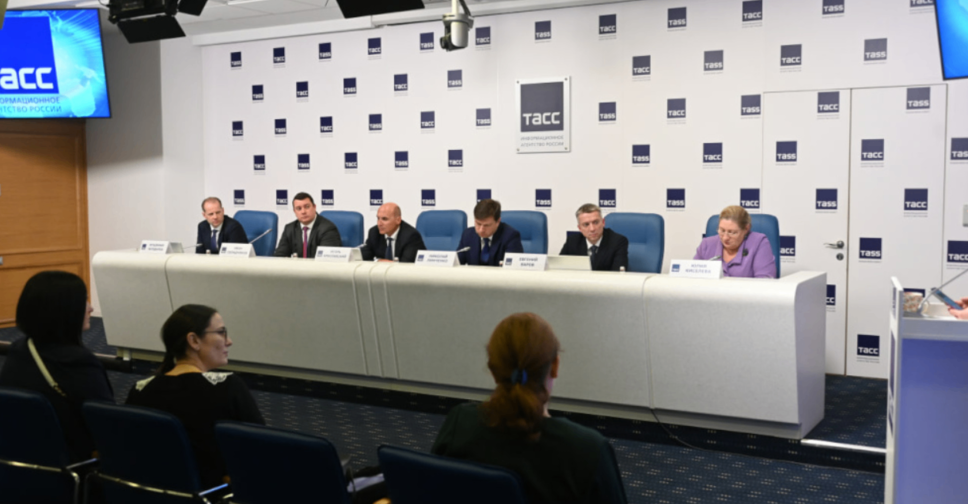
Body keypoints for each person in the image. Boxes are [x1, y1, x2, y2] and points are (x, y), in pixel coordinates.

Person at [432, 313, 627, 504]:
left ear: (493, 370)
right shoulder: (588, 449)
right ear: (555, 366)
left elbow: (432, 490)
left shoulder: (460, 423)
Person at [126, 305, 264, 488]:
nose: (229, 341)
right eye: (221, 332)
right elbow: (262, 449)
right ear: (194, 340)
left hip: (152, 493)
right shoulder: (229, 387)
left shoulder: (139, 390)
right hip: (217, 493)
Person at [0, 271, 114, 462]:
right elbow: (107, 423)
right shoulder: (78, 363)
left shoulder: (20, 349)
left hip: (19, 458)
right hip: (72, 463)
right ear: (65, 310)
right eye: (84, 301)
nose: (91, 308)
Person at [694, 205, 776, 278]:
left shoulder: (759, 242)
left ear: (746, 229)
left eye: (732, 232)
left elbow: (764, 282)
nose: (725, 238)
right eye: (722, 230)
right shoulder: (706, 245)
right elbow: (692, 277)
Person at [559, 204, 629, 271]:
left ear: (603, 222)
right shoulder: (572, 241)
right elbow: (559, 269)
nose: (592, 229)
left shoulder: (617, 241)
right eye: (586, 224)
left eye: (596, 222)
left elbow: (617, 274)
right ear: (580, 228)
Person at [457, 199, 524, 266]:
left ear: (498, 222)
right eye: (478, 224)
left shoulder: (510, 236)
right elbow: (457, 262)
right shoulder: (468, 235)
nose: (481, 230)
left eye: (486, 225)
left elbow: (513, 268)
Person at [273, 192, 341, 257]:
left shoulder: (327, 229)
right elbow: (279, 256)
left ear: (314, 207)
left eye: (307, 207)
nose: (303, 212)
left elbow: (326, 259)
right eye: (299, 208)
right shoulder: (289, 229)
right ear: (295, 211)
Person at [360, 202, 426, 263]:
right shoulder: (374, 233)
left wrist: (381, 262)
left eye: (384, 219)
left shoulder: (411, 236)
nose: (379, 224)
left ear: (398, 220)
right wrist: (378, 261)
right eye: (378, 218)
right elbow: (364, 257)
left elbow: (406, 265)